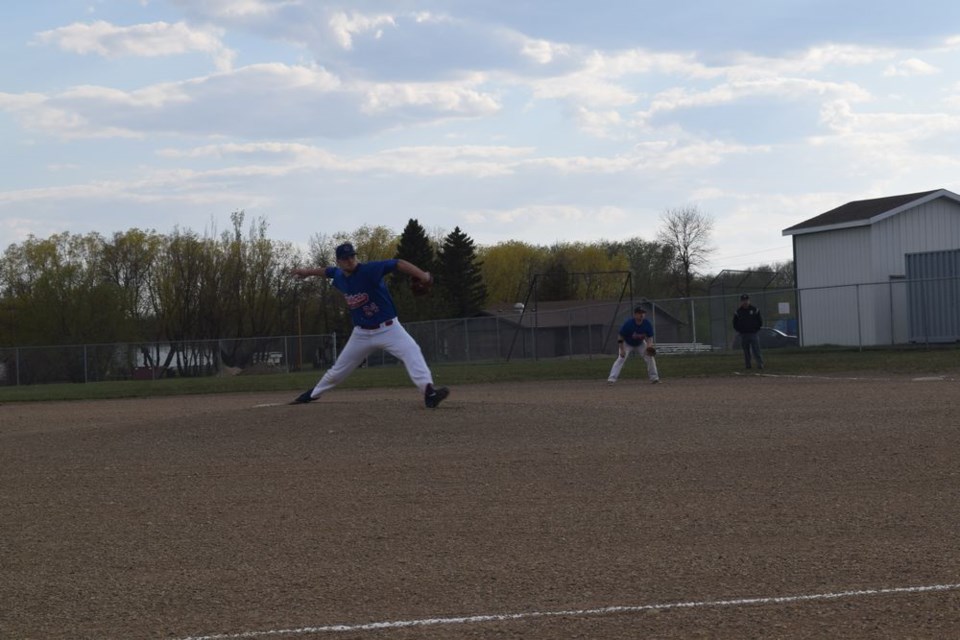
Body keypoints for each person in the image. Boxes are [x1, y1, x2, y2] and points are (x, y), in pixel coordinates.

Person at [289, 242, 450, 408]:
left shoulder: (369, 270)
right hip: (361, 334)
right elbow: (327, 271)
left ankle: (429, 393)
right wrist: (307, 272)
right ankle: (313, 394)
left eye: (352, 256)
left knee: (412, 352)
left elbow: (399, 263)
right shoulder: (339, 276)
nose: (350, 260)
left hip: (389, 329)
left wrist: (423, 275)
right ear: (339, 261)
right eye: (345, 258)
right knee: (338, 370)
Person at [607, 305, 660, 384]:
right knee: (621, 358)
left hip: (640, 343)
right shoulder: (629, 324)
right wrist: (622, 350)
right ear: (635, 315)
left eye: (643, 313)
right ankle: (611, 379)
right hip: (627, 343)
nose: (642, 315)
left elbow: (650, 337)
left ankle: (654, 378)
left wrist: (649, 346)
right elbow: (620, 336)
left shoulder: (647, 323)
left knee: (650, 357)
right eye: (639, 313)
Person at [733, 293, 764, 370]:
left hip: (753, 333)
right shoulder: (738, 312)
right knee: (746, 351)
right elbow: (734, 323)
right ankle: (748, 365)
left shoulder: (755, 310)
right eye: (743, 301)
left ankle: (760, 364)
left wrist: (756, 328)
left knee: (756, 350)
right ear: (741, 302)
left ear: (749, 301)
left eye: (746, 300)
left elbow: (760, 321)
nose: (745, 302)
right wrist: (739, 330)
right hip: (743, 334)